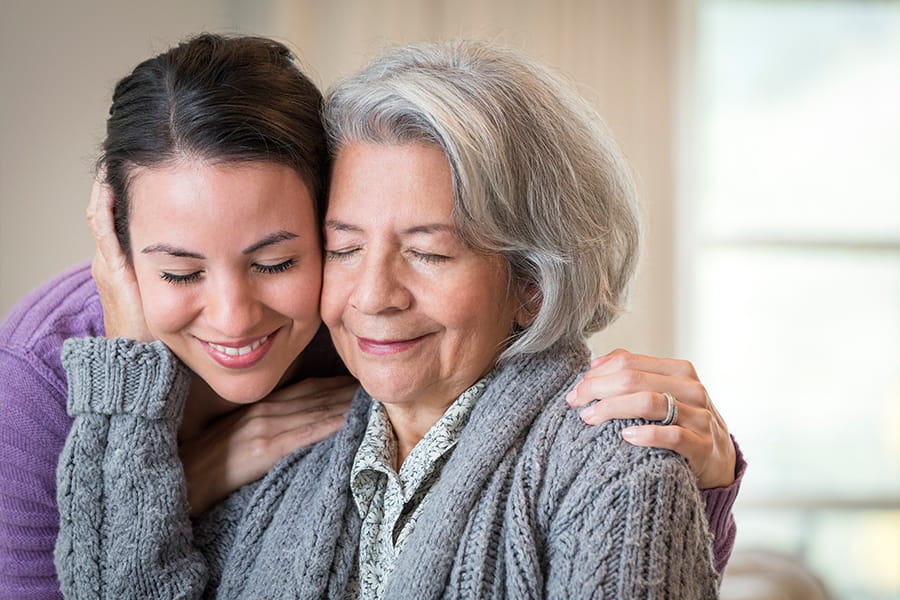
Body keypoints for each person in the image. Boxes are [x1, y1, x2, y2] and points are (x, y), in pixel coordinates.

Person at [54, 39, 741, 598]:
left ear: (532, 280)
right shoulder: (284, 453)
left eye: (429, 252)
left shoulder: (617, 465)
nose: (373, 295)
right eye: (343, 248)